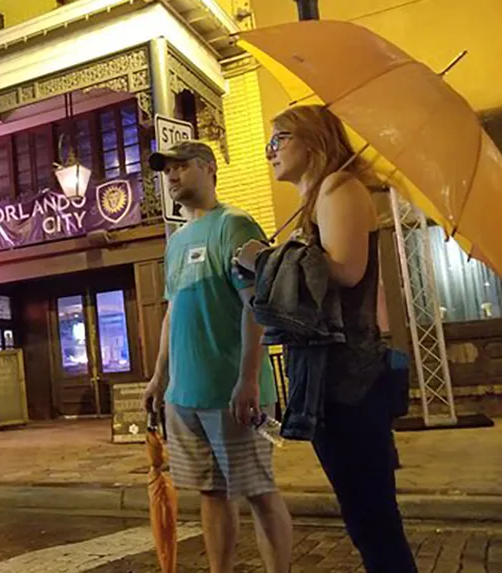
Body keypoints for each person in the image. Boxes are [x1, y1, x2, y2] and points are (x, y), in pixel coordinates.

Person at [235, 105, 417, 572]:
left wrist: (266, 261)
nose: (270, 150)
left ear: (314, 140)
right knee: (365, 519)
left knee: (373, 520)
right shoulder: (318, 197)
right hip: (332, 381)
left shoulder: (338, 187)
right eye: (269, 142)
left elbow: (347, 271)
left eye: (280, 138)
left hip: (350, 381)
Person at [143, 141, 293, 573]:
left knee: (259, 490)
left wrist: (248, 379)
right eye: (166, 169)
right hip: (185, 396)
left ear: (208, 169)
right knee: (212, 491)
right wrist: (159, 379)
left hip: (232, 393)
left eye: (182, 166)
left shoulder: (236, 225)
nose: (172, 176)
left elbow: (255, 306)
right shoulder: (176, 243)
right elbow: (173, 313)